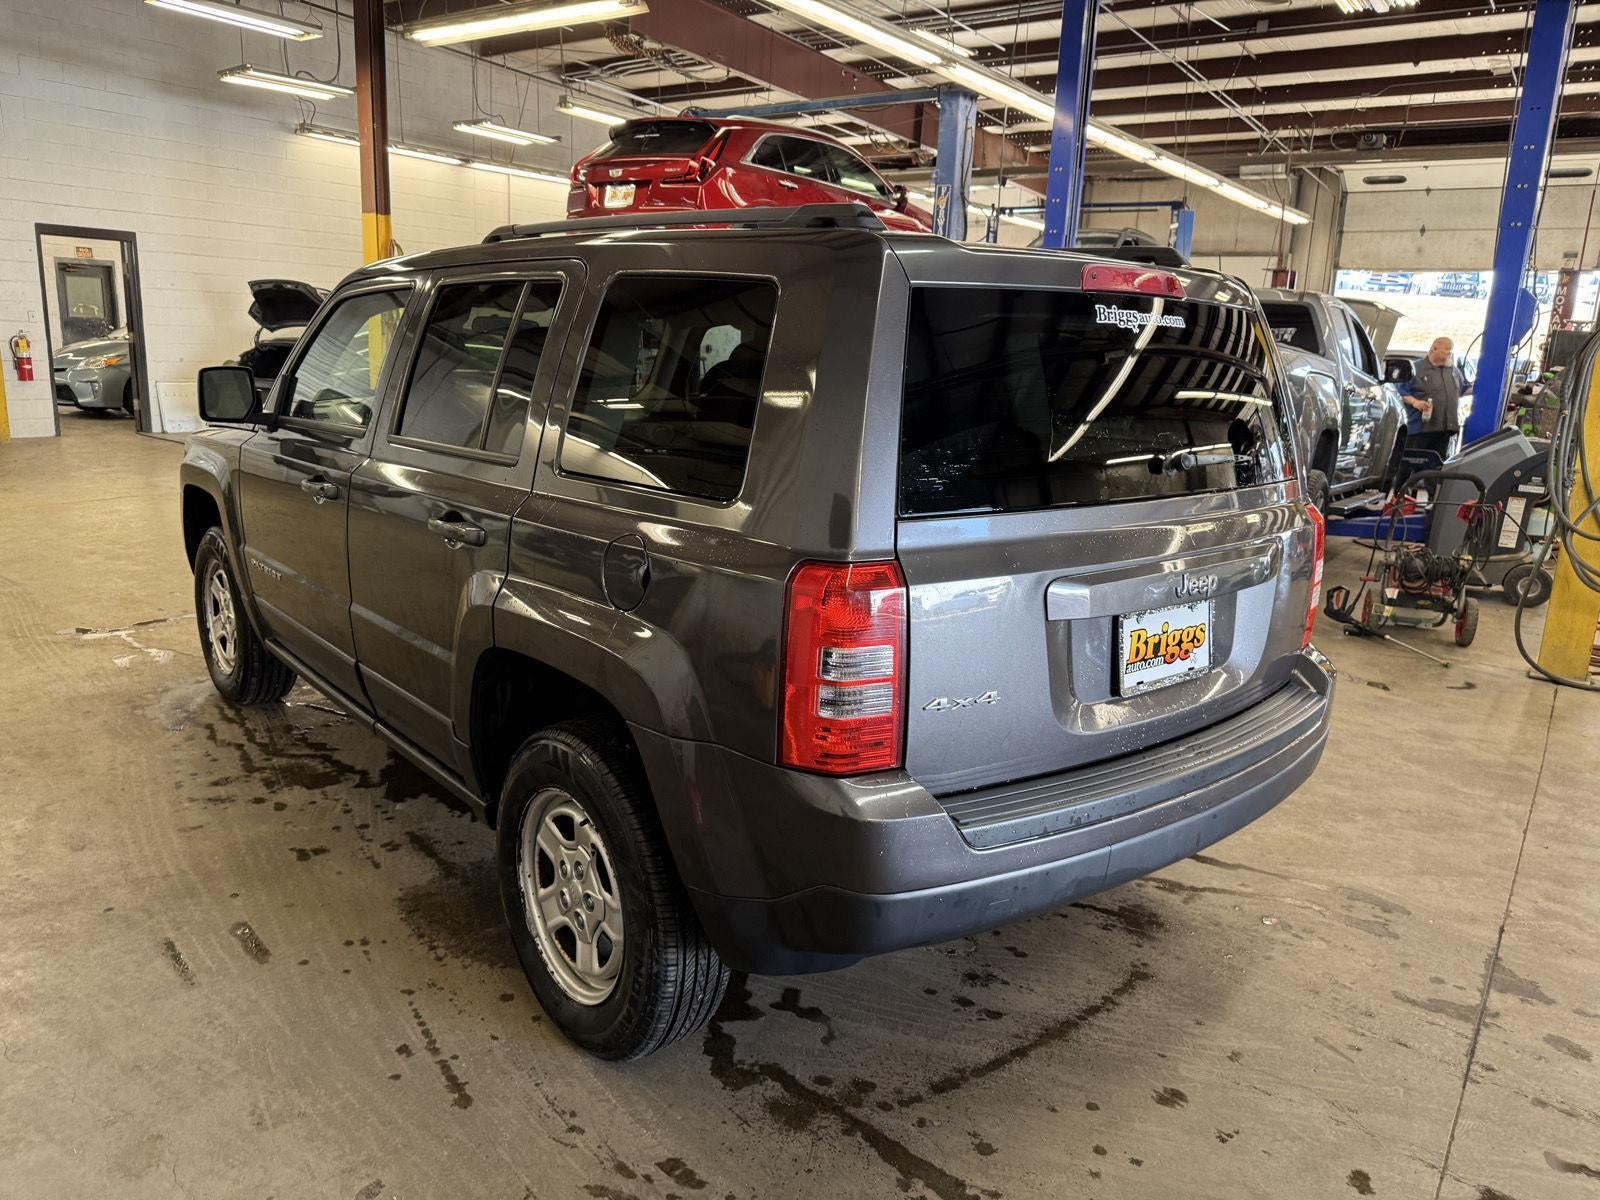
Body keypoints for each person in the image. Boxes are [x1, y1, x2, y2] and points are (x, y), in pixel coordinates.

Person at [1402, 337, 1472, 466]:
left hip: (1444, 430)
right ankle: (1402, 485)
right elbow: (1401, 392)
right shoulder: (1415, 368)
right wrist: (1415, 402)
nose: (1450, 352)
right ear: (1434, 348)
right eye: (1447, 349)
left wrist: (1483, 386)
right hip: (1420, 429)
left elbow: (1463, 390)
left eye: (1451, 350)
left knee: (1436, 467)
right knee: (1410, 466)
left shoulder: (1454, 371)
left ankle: (1431, 486)